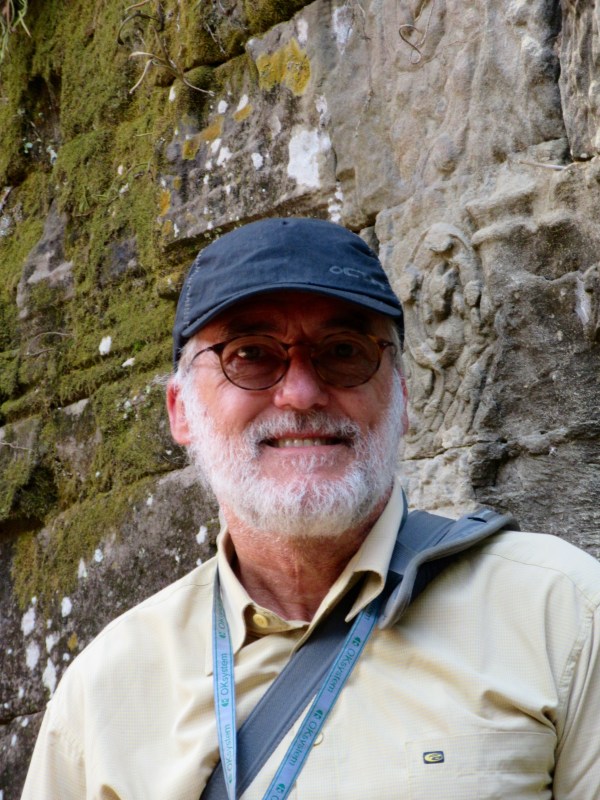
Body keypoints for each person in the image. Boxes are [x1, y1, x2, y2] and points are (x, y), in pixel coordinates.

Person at [22, 218, 600, 799]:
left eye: (344, 352)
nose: (301, 394)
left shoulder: (560, 613)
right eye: (250, 355)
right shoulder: (104, 694)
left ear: (402, 396)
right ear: (181, 410)